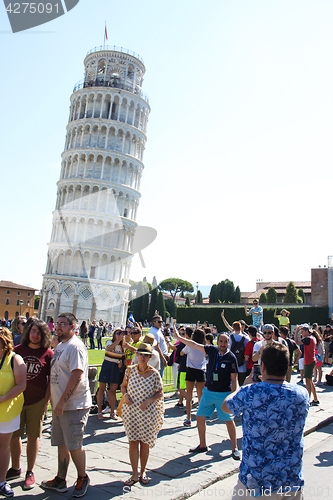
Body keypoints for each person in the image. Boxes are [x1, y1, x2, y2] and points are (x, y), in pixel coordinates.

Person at [222, 343, 309, 500]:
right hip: (291, 479)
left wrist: (243, 387)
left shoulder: (250, 392)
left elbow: (225, 407)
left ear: (262, 367)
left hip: (257, 481)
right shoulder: (302, 394)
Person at [41, 313, 92, 498]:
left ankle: (82, 477)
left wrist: (62, 400)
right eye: (58, 324)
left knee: (74, 444)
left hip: (74, 405)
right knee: (62, 443)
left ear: (72, 326)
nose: (58, 327)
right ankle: (61, 479)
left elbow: (77, 374)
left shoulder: (75, 346)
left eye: (63, 324)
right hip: (60, 406)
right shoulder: (61, 345)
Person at [174, 328, 240, 459]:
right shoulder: (212, 350)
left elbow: (234, 379)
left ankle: (234, 448)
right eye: (220, 341)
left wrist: (232, 397)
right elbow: (194, 345)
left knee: (228, 420)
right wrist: (179, 337)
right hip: (209, 392)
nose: (222, 344)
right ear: (217, 341)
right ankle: (202, 444)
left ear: (228, 343)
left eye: (225, 342)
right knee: (199, 416)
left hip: (223, 393)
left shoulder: (231, 358)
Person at [7, 319, 53, 490]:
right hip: (16, 400)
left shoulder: (48, 354)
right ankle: (15, 467)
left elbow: (51, 381)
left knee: (33, 436)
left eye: (39, 333)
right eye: (33, 331)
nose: (35, 335)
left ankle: (30, 471)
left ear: (44, 335)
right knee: (14, 435)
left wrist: (46, 400)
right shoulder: (17, 351)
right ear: (28, 333)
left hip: (37, 401)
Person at [121, 342, 164, 486]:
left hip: (147, 413)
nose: (142, 358)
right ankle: (134, 473)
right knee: (132, 442)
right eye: (140, 355)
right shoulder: (130, 370)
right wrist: (125, 395)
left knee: (144, 443)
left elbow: (160, 392)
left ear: (150, 357)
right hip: (131, 412)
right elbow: (123, 386)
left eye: (146, 356)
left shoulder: (154, 373)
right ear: (136, 355)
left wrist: (148, 401)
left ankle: (143, 471)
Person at [0, 328, 26, 498]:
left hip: (7, 410)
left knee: (2, 446)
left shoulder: (15, 360)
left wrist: (2, 399)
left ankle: (1, 481)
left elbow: (21, 385)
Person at [97, 328, 127, 420]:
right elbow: (109, 348)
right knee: (102, 388)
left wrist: (121, 364)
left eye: (121, 334)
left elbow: (122, 358)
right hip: (107, 365)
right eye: (118, 333)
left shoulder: (122, 346)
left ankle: (112, 412)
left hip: (115, 367)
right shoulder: (109, 342)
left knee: (112, 390)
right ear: (114, 334)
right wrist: (118, 340)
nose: (119, 335)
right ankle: (99, 411)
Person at [181, 329, 207, 427]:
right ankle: (201, 418)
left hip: (191, 370)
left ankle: (188, 418)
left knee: (189, 396)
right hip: (201, 370)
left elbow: (182, 353)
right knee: (201, 396)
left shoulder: (190, 346)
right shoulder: (204, 347)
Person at [295, 324, 319, 406]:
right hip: (311, 360)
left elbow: (296, 342)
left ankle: (307, 399)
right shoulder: (312, 338)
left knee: (307, 381)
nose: (301, 332)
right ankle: (315, 399)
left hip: (308, 361)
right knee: (310, 381)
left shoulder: (308, 339)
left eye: (302, 331)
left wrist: (296, 332)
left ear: (306, 331)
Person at [228, 321, 249, 386]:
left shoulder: (230, 338)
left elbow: (228, 350)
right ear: (241, 327)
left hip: (232, 366)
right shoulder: (246, 338)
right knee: (242, 385)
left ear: (233, 328)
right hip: (243, 366)